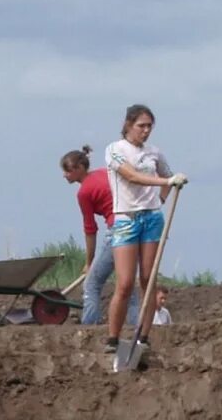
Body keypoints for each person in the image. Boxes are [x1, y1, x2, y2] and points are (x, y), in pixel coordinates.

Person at [103, 104, 187, 349]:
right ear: (129, 125)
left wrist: (161, 196)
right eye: (141, 126)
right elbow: (131, 176)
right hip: (126, 219)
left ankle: (144, 335)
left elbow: (168, 177)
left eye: (150, 126)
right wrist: (165, 181)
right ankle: (113, 337)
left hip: (151, 218)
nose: (146, 131)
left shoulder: (154, 153)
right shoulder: (115, 150)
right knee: (125, 282)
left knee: (148, 279)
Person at [63, 147, 118, 326]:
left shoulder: (84, 192)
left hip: (117, 229)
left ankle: (88, 328)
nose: (65, 175)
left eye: (67, 170)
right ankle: (134, 324)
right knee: (126, 285)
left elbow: (90, 229)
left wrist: (89, 262)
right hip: (132, 224)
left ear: (79, 168)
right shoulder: (104, 172)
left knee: (91, 284)